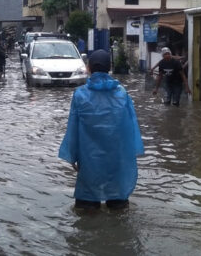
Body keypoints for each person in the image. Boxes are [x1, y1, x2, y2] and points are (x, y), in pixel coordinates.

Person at [59, 49, 144, 210]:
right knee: (119, 208)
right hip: (116, 159)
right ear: (109, 67)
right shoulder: (122, 93)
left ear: (89, 68)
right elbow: (131, 127)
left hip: (89, 158)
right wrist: (130, 153)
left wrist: (72, 156)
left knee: (86, 209)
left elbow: (73, 128)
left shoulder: (80, 94)